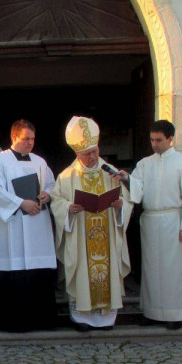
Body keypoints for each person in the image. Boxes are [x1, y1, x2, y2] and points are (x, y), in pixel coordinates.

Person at [51, 117, 133, 330]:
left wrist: (119, 205)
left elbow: (128, 198)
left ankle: (106, 319)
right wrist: (68, 208)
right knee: (83, 274)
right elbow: (56, 202)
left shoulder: (110, 172)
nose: (94, 156)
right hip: (79, 234)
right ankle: (82, 319)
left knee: (105, 273)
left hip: (106, 232)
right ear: (77, 154)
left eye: (95, 151)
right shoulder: (67, 176)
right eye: (88, 153)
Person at [122, 119, 182, 330]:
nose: (154, 144)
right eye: (152, 140)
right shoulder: (146, 163)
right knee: (151, 269)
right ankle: (152, 312)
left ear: (170, 138)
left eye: (159, 140)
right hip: (151, 221)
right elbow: (137, 190)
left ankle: (176, 314)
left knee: (174, 269)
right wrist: (126, 179)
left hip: (173, 221)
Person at [0, 119, 57, 332]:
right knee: (12, 267)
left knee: (36, 267)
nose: (30, 143)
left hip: (36, 224)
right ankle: (10, 323)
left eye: (32, 139)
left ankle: (41, 321)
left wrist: (46, 194)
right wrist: (20, 203)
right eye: (25, 139)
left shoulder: (40, 161)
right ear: (14, 138)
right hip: (10, 227)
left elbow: (51, 184)